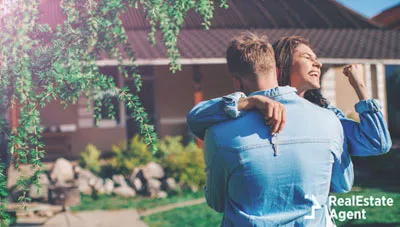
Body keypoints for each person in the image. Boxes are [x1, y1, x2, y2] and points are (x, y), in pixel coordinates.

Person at [199, 32, 352, 226]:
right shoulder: (329, 120)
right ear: (276, 71)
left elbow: (217, 202)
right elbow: (343, 184)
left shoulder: (218, 133)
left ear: (236, 81)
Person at [187, 36, 392, 157]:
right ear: (282, 66)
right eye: (307, 58)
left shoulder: (327, 116)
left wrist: (360, 87)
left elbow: (377, 143)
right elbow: (197, 116)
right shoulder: (256, 109)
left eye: (317, 59)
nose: (318, 64)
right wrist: (249, 101)